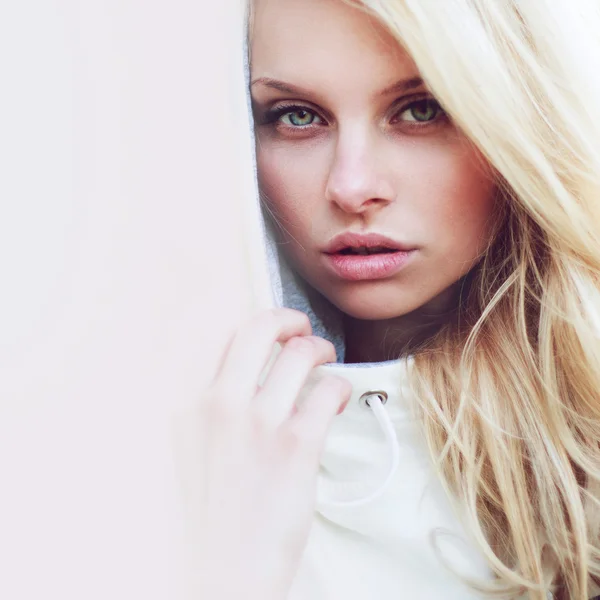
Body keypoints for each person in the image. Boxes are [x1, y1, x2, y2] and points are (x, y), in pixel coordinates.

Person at [198, 0, 600, 598]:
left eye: (420, 109)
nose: (352, 186)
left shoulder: (582, 443)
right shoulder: (201, 433)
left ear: (514, 121)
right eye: (297, 116)